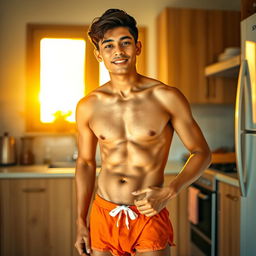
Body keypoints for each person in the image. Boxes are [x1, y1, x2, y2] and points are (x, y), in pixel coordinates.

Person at [74, 8, 211, 256]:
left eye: (125, 43)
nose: (118, 51)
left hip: (148, 213)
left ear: (137, 47)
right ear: (98, 55)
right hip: (103, 211)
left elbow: (202, 152)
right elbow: (85, 163)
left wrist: (170, 190)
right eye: (108, 46)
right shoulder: (88, 105)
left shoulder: (166, 97)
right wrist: (80, 221)